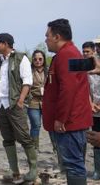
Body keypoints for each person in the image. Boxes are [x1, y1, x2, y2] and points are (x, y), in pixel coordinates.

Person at [42, 18, 92, 185]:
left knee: (73, 165)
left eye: (47, 36)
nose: (45, 40)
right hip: (72, 120)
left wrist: (61, 118)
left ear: (57, 36)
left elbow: (68, 88)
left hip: (69, 122)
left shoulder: (67, 54)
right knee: (72, 164)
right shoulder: (69, 53)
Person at [0, 33, 37, 182]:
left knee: (24, 137)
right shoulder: (0, 61)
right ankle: (14, 170)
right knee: (7, 138)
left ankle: (33, 169)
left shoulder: (20, 58)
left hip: (15, 104)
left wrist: (21, 101)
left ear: (5, 43)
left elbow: (27, 82)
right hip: (2, 104)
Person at [82, 41, 100, 180]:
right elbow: (86, 88)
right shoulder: (85, 68)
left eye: (88, 51)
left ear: (94, 51)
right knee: (95, 139)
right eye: (84, 51)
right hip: (94, 109)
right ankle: (97, 170)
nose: (85, 54)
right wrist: (90, 104)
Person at [27, 50, 48, 150]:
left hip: (47, 102)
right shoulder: (29, 71)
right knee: (36, 125)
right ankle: (34, 147)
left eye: (40, 59)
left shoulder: (49, 71)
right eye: (35, 59)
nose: (38, 61)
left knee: (50, 125)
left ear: (44, 59)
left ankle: (56, 147)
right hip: (33, 102)